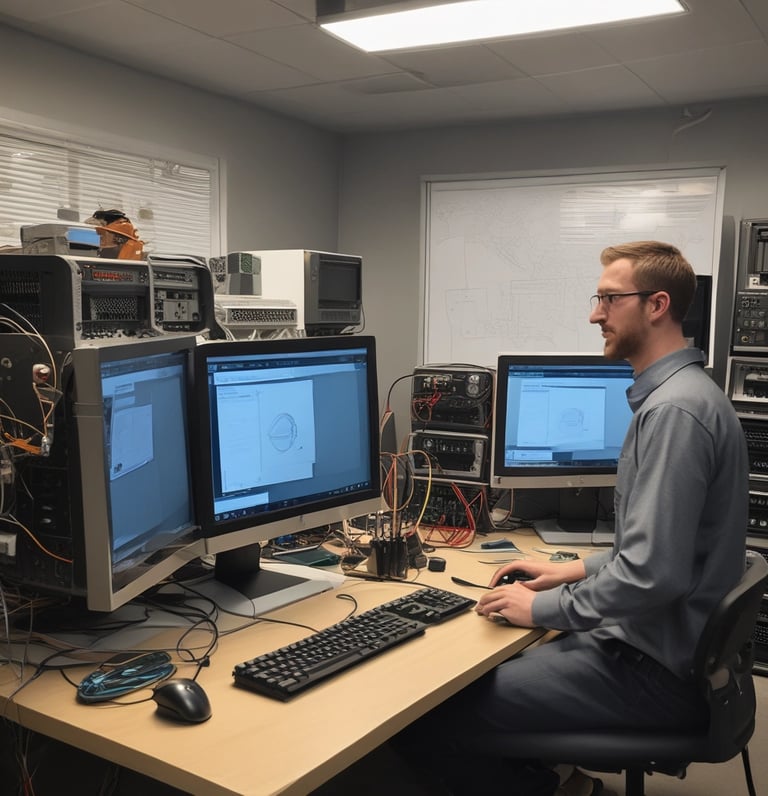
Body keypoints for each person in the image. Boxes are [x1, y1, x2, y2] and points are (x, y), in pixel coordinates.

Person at [392, 241, 749, 796]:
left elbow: (654, 575)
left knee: (428, 713)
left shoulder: (675, 413)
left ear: (656, 305)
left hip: (653, 668)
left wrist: (540, 606)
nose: (594, 314)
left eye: (609, 299)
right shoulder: (684, 396)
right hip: (662, 646)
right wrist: (574, 571)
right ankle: (555, 777)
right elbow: (660, 549)